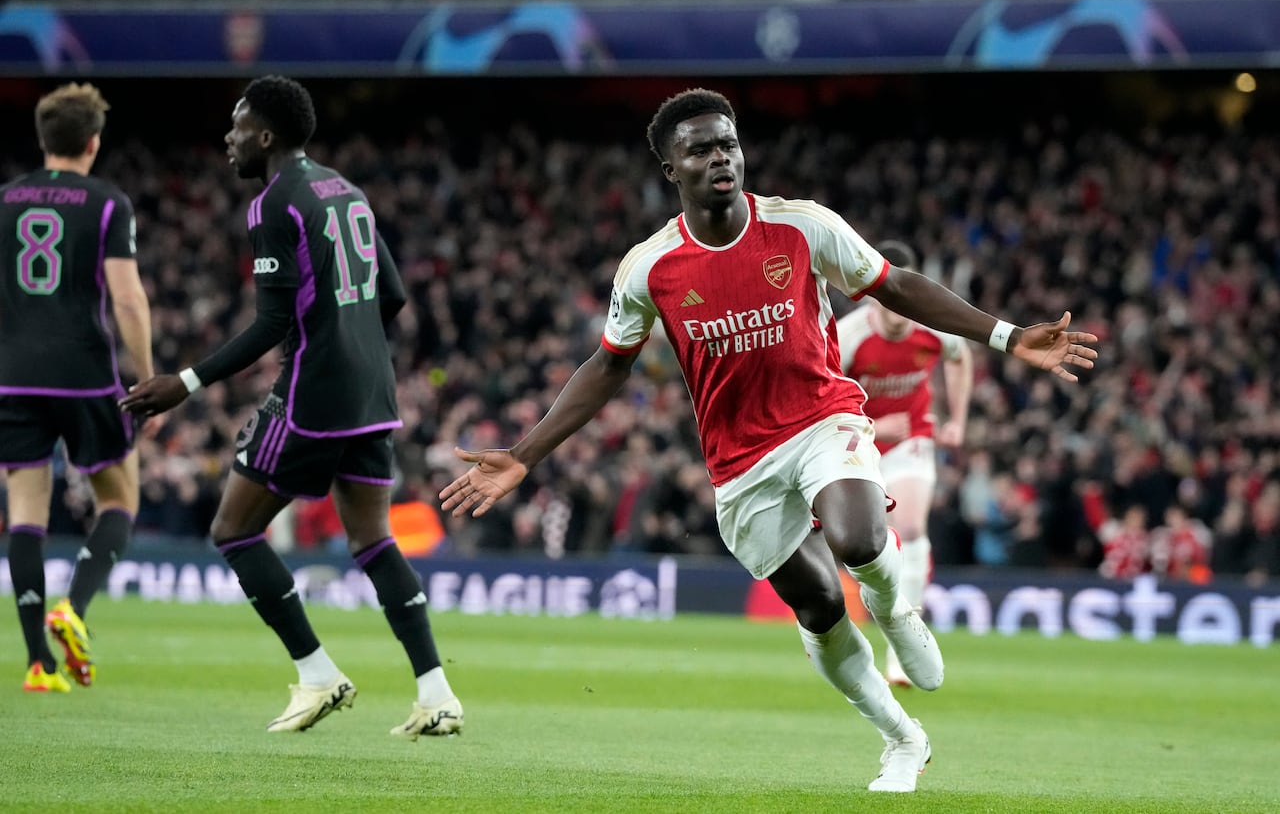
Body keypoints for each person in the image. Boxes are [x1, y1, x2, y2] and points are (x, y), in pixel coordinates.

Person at [440, 88, 1098, 793]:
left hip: (821, 418)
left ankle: (893, 606)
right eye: (700, 150)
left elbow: (895, 284)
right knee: (819, 606)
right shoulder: (650, 268)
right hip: (739, 462)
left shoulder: (802, 226)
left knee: (856, 537)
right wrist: (525, 454)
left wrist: (1007, 335)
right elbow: (608, 365)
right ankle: (902, 738)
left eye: (728, 143)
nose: (720, 158)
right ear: (671, 169)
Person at [120, 75, 462, 739]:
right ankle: (437, 693)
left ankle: (317, 673)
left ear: (267, 135)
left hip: (315, 394)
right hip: (374, 391)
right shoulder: (346, 189)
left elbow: (271, 324)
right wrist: (353, 340)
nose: (229, 137)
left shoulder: (273, 203)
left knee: (233, 529)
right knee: (373, 541)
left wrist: (183, 382)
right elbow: (392, 294)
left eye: (238, 126)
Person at [1, 83, 157, 693]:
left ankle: (39, 664)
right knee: (119, 500)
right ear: (93, 143)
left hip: (14, 375)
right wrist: (147, 378)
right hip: (84, 372)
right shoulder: (108, 203)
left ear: (43, 139)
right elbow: (127, 298)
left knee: (25, 513)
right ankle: (75, 608)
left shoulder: (6, 200)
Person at [836, 241, 973, 687]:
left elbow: (960, 358)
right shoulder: (848, 336)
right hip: (856, 445)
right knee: (869, 545)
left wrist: (957, 419)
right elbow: (822, 399)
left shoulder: (934, 327)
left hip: (911, 441)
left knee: (912, 529)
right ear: (874, 294)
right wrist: (873, 425)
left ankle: (905, 647)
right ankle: (885, 619)